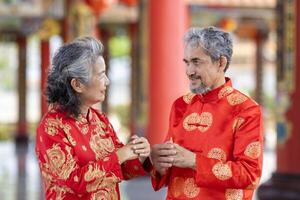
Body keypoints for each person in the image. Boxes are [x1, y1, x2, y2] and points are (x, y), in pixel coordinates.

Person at [150, 26, 263, 200]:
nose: (189, 71)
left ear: (221, 63)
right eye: (186, 62)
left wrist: (195, 162)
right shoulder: (180, 105)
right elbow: (168, 167)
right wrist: (158, 163)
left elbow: (250, 174)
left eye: (197, 62)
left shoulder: (246, 110)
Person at [35, 36, 150, 200]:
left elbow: (121, 170)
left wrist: (139, 154)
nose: (107, 81)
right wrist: (120, 155)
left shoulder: (100, 119)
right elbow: (73, 181)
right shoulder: (52, 127)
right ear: (77, 85)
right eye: (101, 75)